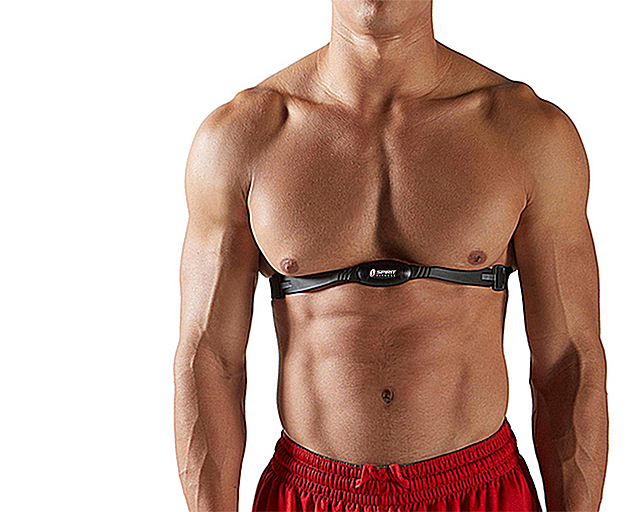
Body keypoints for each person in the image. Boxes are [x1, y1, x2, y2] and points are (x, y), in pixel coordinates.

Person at [174, 1, 608, 510]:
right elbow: (210, 358)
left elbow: (568, 359)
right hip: (310, 493)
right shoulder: (242, 138)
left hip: (477, 491)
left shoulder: (526, 133)